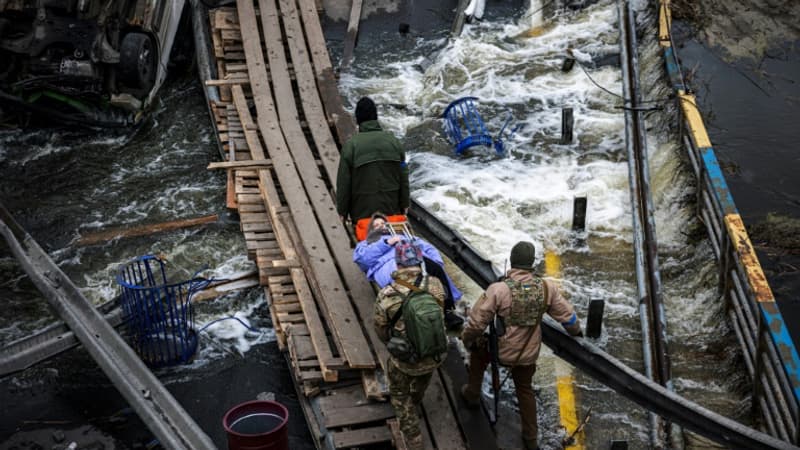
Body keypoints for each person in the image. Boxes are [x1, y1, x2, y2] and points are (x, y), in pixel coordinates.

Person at [460, 241, 583, 450]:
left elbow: (476, 323)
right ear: (531, 263)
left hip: (500, 351)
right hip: (528, 354)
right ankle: (530, 437)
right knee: (525, 390)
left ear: (512, 260)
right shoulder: (546, 288)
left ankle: (472, 395)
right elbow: (569, 318)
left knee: (478, 353)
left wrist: (467, 340)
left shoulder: (499, 289)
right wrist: (577, 332)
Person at [373, 241, 448, 450]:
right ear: (420, 261)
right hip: (434, 353)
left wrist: (392, 343)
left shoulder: (388, 294)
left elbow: (380, 328)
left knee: (399, 393)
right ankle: (417, 398)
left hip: (406, 359)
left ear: (397, 264)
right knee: (422, 378)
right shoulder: (435, 284)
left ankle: (414, 438)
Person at [355, 212, 464, 329]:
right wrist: (386, 243)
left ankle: (447, 310)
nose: (381, 226)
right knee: (409, 284)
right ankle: (417, 316)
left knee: (436, 270)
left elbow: (427, 247)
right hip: (389, 264)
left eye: (383, 223)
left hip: (414, 257)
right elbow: (363, 260)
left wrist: (437, 260)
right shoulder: (366, 244)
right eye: (376, 225)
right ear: (371, 231)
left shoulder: (403, 235)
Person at [336, 97, 409, 234]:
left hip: (362, 216)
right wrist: (405, 204)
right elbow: (404, 178)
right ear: (376, 117)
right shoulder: (394, 142)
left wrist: (342, 212)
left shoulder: (351, 146)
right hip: (391, 213)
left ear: (357, 120)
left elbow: (343, 184)